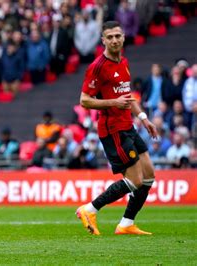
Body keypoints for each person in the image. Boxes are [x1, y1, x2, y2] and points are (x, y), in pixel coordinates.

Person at [76, 21, 158, 236]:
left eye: (117, 36)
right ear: (103, 40)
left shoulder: (124, 62)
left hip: (128, 125)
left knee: (148, 176)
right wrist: (113, 102)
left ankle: (126, 224)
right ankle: (89, 209)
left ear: (123, 38)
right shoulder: (97, 67)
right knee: (134, 180)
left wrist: (143, 118)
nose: (114, 40)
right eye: (109, 37)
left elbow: (127, 96)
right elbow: (85, 100)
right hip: (112, 129)